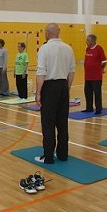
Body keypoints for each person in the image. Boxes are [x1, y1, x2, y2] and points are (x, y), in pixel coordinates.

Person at [35, 23, 75, 164]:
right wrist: (66, 89)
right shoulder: (68, 48)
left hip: (50, 87)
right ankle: (63, 154)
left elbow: (41, 73)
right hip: (63, 85)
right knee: (62, 123)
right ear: (58, 32)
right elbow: (71, 72)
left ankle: (48, 156)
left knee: (48, 123)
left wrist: (38, 92)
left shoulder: (44, 49)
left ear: (47, 33)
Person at [82, 34, 107, 115]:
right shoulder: (87, 49)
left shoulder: (99, 48)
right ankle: (89, 107)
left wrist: (101, 69)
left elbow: (104, 61)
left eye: (88, 40)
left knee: (97, 92)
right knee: (87, 92)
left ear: (93, 41)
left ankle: (98, 108)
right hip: (88, 76)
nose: (86, 41)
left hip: (96, 76)